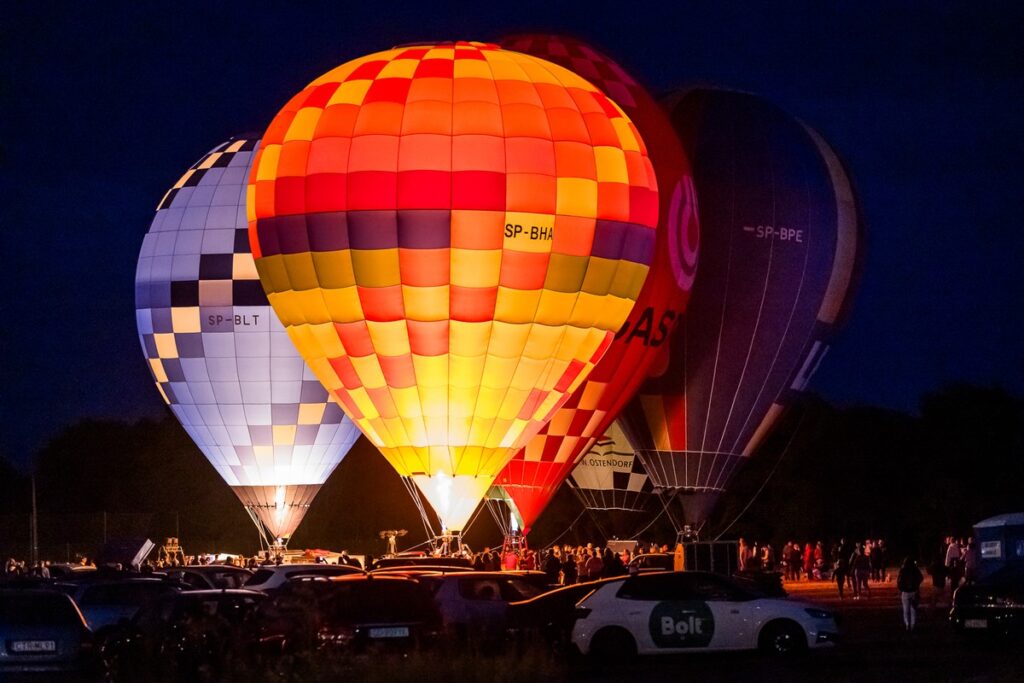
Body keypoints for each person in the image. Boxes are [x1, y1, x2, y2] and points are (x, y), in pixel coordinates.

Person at [897, 556, 924, 631]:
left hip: (905, 592)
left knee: (906, 609)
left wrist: (901, 588)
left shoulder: (903, 570)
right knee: (913, 609)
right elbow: (921, 578)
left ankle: (907, 625)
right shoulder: (915, 569)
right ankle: (912, 625)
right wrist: (916, 585)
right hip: (914, 591)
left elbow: (899, 581)